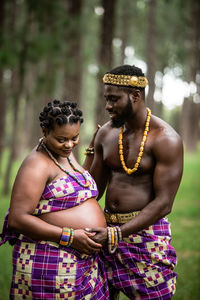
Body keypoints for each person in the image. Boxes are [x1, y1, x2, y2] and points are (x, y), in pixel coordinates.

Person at [86, 65, 184, 299]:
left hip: (146, 235)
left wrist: (118, 234)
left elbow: (163, 203)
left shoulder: (165, 139)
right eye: (106, 99)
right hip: (105, 232)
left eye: (114, 99)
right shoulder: (106, 134)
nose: (108, 106)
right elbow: (92, 191)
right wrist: (89, 153)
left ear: (135, 96)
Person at [0, 100, 109, 299]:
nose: (69, 144)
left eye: (74, 138)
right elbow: (17, 218)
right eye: (62, 139)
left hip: (82, 263)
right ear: (45, 131)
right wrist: (69, 236)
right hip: (51, 263)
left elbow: (76, 182)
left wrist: (92, 147)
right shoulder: (37, 164)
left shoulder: (64, 154)